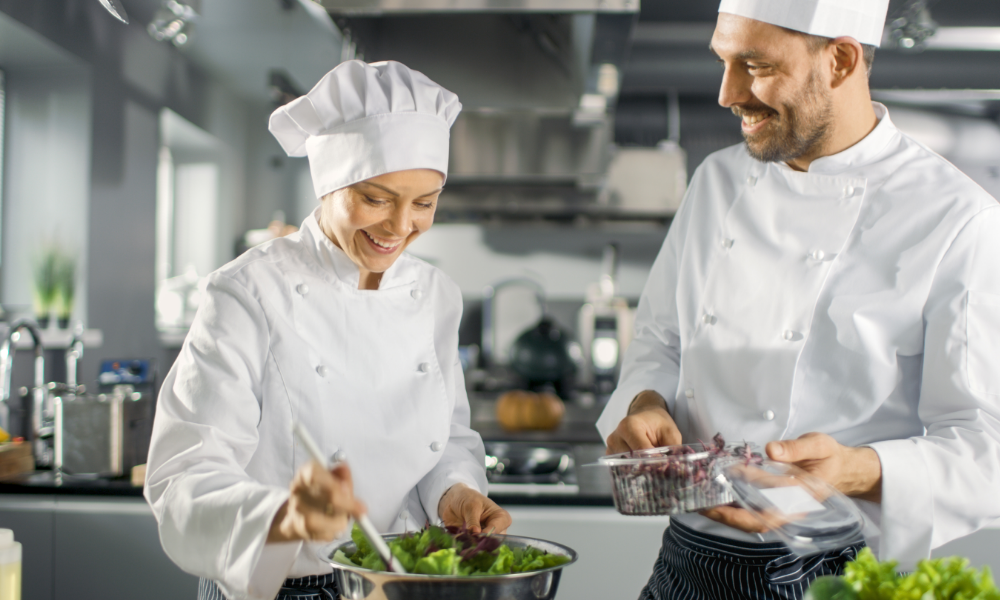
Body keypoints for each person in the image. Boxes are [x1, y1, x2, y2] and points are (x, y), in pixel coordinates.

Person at [596, 0, 1000, 598]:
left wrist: (853, 470)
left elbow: (984, 448)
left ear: (839, 60)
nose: (727, 93)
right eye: (724, 61)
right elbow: (662, 341)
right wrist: (647, 402)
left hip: (840, 568)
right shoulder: (717, 180)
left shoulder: (957, 218)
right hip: (688, 560)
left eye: (755, 65)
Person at [144, 60, 511, 600]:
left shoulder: (435, 295)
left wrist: (454, 491)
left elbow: (446, 436)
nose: (400, 226)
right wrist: (285, 516)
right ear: (328, 183)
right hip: (282, 586)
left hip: (397, 579)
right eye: (376, 198)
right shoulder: (249, 291)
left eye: (425, 204)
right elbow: (185, 476)